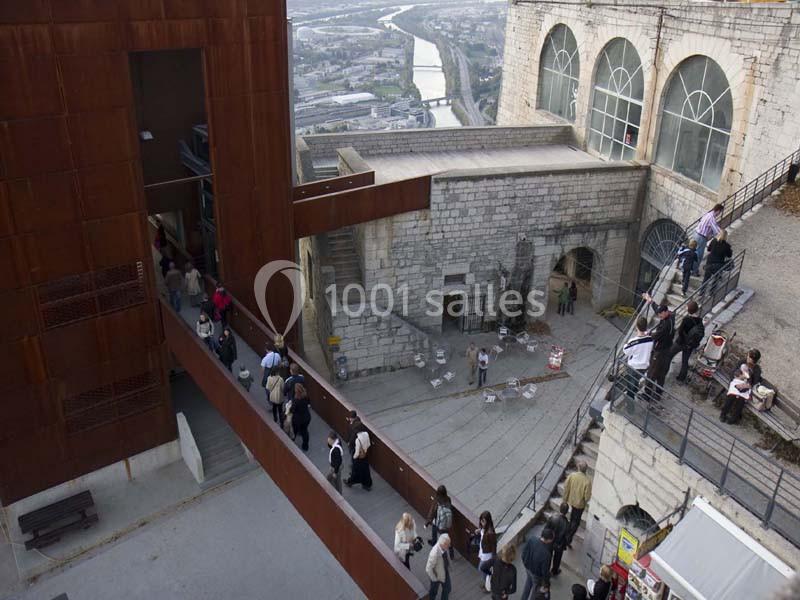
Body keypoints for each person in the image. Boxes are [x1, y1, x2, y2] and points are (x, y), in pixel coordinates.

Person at [641, 293, 675, 403]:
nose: (659, 316)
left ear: (665, 312)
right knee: (661, 374)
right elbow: (657, 309)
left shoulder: (666, 325)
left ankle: (647, 394)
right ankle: (658, 394)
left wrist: (646, 333)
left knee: (651, 373)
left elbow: (656, 335)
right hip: (667, 350)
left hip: (660, 352)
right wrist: (649, 300)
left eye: (660, 315)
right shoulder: (670, 316)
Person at [620, 317, 653, 409]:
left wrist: (627, 344)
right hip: (644, 367)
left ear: (637, 327)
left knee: (630, 386)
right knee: (636, 381)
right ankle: (635, 389)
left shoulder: (633, 341)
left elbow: (625, 350)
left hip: (634, 367)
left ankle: (630, 408)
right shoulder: (650, 339)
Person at [670, 301, 704, 383]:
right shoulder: (699, 320)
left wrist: (683, 339)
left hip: (680, 343)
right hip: (690, 345)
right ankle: (681, 378)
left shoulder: (686, 319)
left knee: (669, 354)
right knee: (685, 361)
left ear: (688, 309)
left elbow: (680, 331)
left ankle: (663, 370)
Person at [563, 462, 592, 547]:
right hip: (580, 504)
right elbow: (587, 497)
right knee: (575, 522)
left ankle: (567, 537)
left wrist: (565, 499)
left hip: (571, 500)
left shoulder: (572, 475)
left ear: (578, 467)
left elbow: (566, 486)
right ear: (586, 470)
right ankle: (568, 539)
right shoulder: (587, 481)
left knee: (572, 518)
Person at [521, 528, 554, 600]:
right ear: (548, 540)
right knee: (535, 591)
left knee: (528, 585)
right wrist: (546, 583)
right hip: (536, 575)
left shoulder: (532, 539)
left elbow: (523, 553)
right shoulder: (547, 554)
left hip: (528, 569)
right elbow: (545, 571)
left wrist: (526, 564)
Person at [344, 411, 373, 490]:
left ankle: (351, 481)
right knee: (365, 469)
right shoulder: (365, 432)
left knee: (355, 468)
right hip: (365, 452)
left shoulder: (354, 430)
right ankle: (367, 484)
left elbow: (352, 442)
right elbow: (368, 444)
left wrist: (354, 456)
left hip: (357, 452)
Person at [692, 203, 723, 274]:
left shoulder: (708, 214)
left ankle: (689, 267)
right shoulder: (711, 218)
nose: (719, 214)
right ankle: (694, 271)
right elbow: (716, 230)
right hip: (701, 237)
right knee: (699, 255)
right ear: (718, 210)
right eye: (720, 212)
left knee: (693, 251)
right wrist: (722, 233)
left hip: (696, 233)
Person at [425, 485, 454, 559]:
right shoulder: (448, 499)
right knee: (447, 537)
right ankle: (451, 551)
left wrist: (428, 521)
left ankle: (434, 541)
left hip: (437, 521)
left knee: (434, 529)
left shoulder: (437, 499)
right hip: (445, 525)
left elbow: (432, 511)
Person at [545, 502, 569, 576]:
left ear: (560, 508)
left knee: (548, 556)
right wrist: (565, 545)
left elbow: (546, 529)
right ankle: (554, 571)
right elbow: (566, 537)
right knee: (557, 558)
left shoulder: (552, 518)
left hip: (550, 541)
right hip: (559, 544)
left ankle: (546, 570)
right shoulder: (567, 523)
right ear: (567, 512)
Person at [426, 533, 452, 600]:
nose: (449, 545)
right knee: (433, 592)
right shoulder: (434, 553)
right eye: (448, 544)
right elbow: (428, 568)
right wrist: (434, 579)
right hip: (436, 575)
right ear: (443, 544)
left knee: (448, 589)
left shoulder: (444, 547)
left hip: (444, 571)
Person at [474, 510, 497, 582]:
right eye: (481, 520)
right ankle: (488, 580)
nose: (481, 522)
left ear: (488, 521)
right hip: (483, 552)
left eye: (483, 521)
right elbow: (483, 532)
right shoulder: (485, 528)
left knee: (482, 569)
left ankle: (488, 582)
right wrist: (479, 530)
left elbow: (494, 545)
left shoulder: (490, 533)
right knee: (482, 569)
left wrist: (493, 559)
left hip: (487, 555)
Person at [291, 383, 311, 451]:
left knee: (295, 430)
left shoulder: (296, 400)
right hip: (307, 417)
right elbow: (308, 403)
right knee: (305, 431)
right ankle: (305, 446)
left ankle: (292, 440)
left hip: (298, 419)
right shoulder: (306, 396)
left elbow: (292, 410)